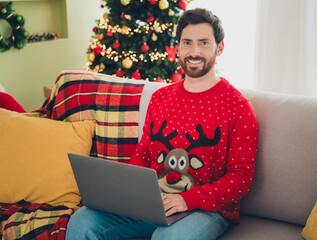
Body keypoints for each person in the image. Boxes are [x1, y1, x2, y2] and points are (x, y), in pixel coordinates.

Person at [66, 8, 258, 240]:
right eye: (187, 43)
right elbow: (145, 151)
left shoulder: (237, 106)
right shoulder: (160, 98)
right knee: (82, 221)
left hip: (207, 209)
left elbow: (241, 179)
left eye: (203, 43)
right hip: (154, 202)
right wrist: (128, 190)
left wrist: (186, 200)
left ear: (219, 48)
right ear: (177, 47)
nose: (194, 51)